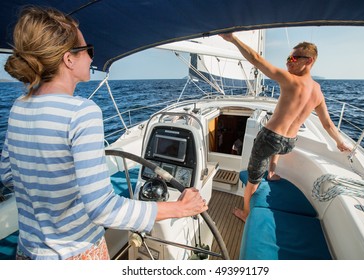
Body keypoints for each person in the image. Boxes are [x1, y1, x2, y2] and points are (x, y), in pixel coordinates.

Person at [0, 6, 208, 260]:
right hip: (75, 256)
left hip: (27, 253)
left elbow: (8, 175)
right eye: (88, 50)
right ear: (69, 59)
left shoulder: (19, 107)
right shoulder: (81, 112)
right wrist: (179, 207)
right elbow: (102, 209)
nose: (91, 58)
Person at [219, 33, 351, 222]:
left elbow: (256, 59)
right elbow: (327, 124)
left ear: (309, 60)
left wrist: (232, 39)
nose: (288, 62)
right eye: (288, 58)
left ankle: (246, 213)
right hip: (289, 143)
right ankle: (271, 173)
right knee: (277, 148)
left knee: (253, 178)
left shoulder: (289, 79)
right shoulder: (318, 91)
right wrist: (340, 142)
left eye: (293, 58)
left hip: (270, 138)